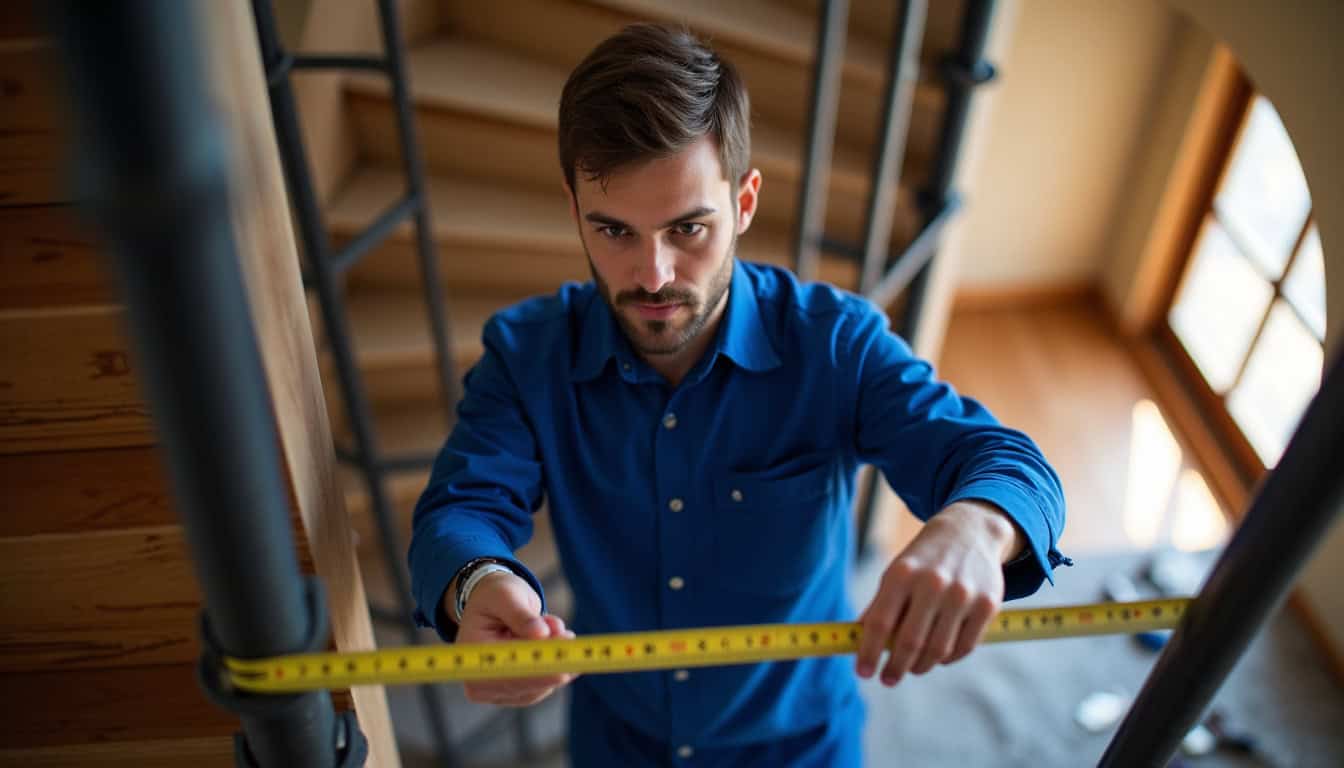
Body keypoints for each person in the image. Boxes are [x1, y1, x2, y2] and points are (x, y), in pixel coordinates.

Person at [409, 23, 1069, 767]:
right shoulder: (525, 353)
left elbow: (1007, 461)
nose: (653, 274)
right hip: (614, 735)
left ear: (745, 201)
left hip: (801, 744)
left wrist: (976, 528)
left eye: (688, 227)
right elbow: (458, 509)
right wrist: (476, 583)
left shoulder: (834, 344)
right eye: (615, 230)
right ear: (573, 209)